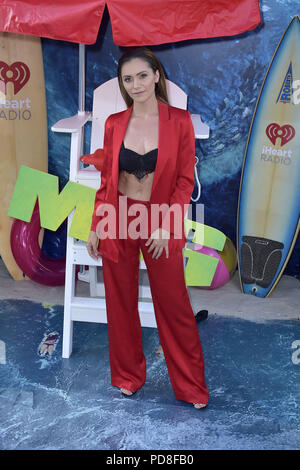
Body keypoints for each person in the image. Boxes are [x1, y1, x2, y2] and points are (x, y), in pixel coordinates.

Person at [86, 47, 209, 410]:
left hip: (161, 219)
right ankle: (128, 376)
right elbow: (108, 182)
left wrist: (166, 224)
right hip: (118, 217)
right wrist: (97, 225)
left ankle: (191, 387)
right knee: (119, 302)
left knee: (174, 305)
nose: (136, 84)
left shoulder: (180, 121)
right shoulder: (114, 123)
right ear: (122, 85)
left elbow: (184, 181)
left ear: (157, 75)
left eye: (142, 75)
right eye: (128, 79)